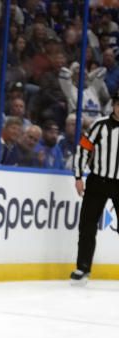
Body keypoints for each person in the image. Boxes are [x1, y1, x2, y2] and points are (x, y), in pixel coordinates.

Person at [70, 91, 119, 286]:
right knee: (87, 226)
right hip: (97, 181)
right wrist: (78, 176)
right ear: (113, 106)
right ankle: (83, 267)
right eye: (118, 104)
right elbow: (83, 148)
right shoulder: (100, 126)